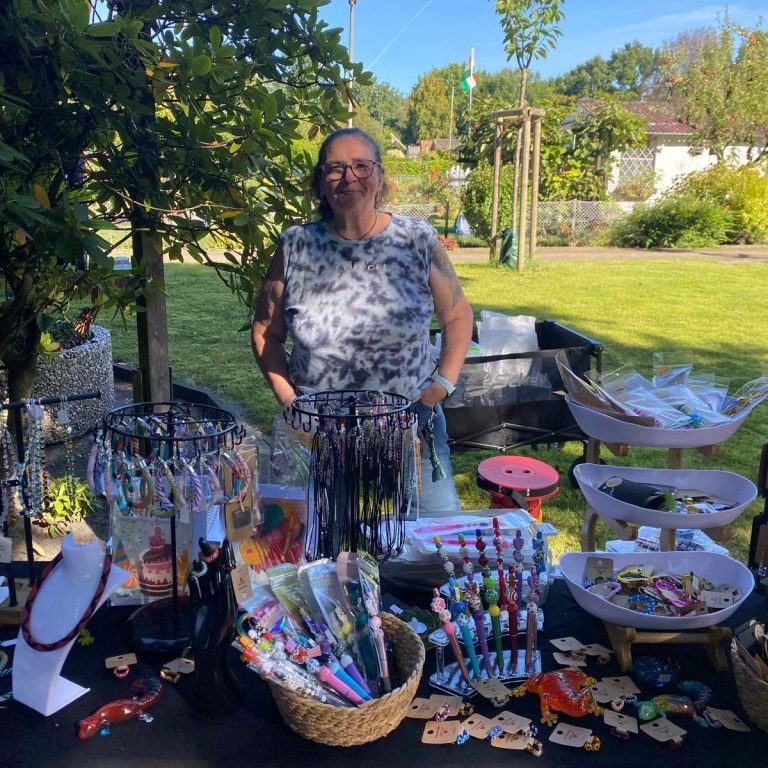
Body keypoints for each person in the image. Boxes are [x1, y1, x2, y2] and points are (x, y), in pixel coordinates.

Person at [250, 127, 473, 513]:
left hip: (411, 424)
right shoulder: (295, 246)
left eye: (361, 166)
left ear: (379, 177)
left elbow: (456, 314)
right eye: (335, 168)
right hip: (315, 433)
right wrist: (290, 400)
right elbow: (265, 332)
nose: (349, 177)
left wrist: (442, 385)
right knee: (309, 540)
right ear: (321, 182)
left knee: (431, 538)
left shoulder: (416, 241)